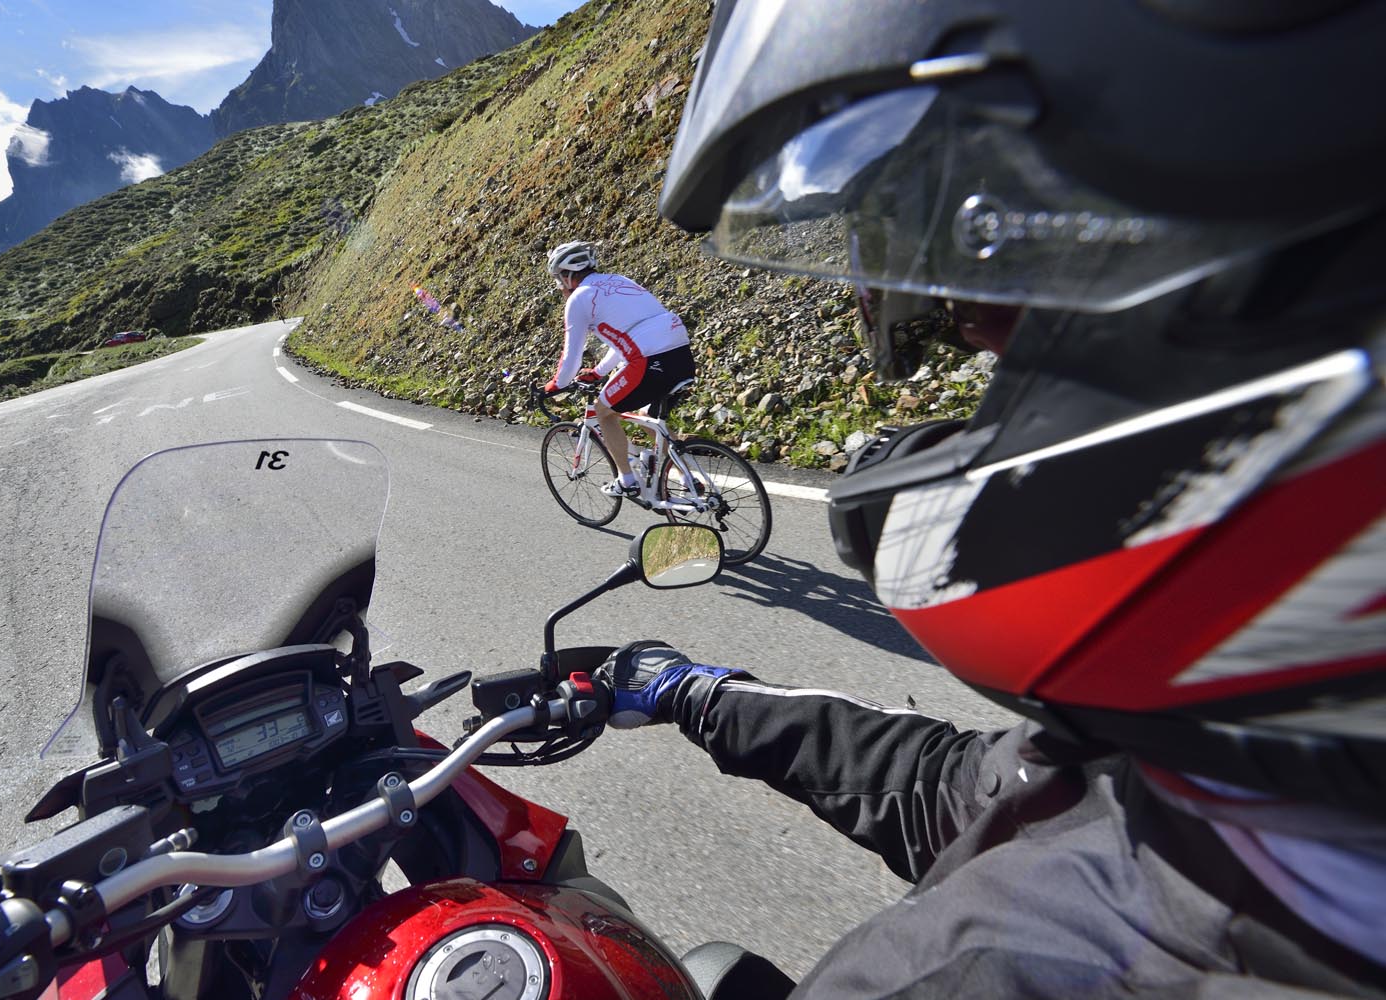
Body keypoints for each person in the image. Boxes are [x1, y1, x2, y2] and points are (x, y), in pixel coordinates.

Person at [597, 0, 1386, 996]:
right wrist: (698, 693)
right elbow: (985, 791)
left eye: (1012, 323)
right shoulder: (1224, 759)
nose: (982, 354)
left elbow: (993, 799)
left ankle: (635, 476)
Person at [542, 240, 696, 498]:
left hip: (648, 359)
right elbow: (629, 337)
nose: (559, 285)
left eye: (558, 278)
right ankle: (689, 477)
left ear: (568, 275)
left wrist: (554, 386)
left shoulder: (579, 298)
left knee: (603, 412)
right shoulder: (620, 281)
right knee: (648, 415)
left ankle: (626, 480)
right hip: (680, 352)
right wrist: (599, 372)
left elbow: (572, 356)